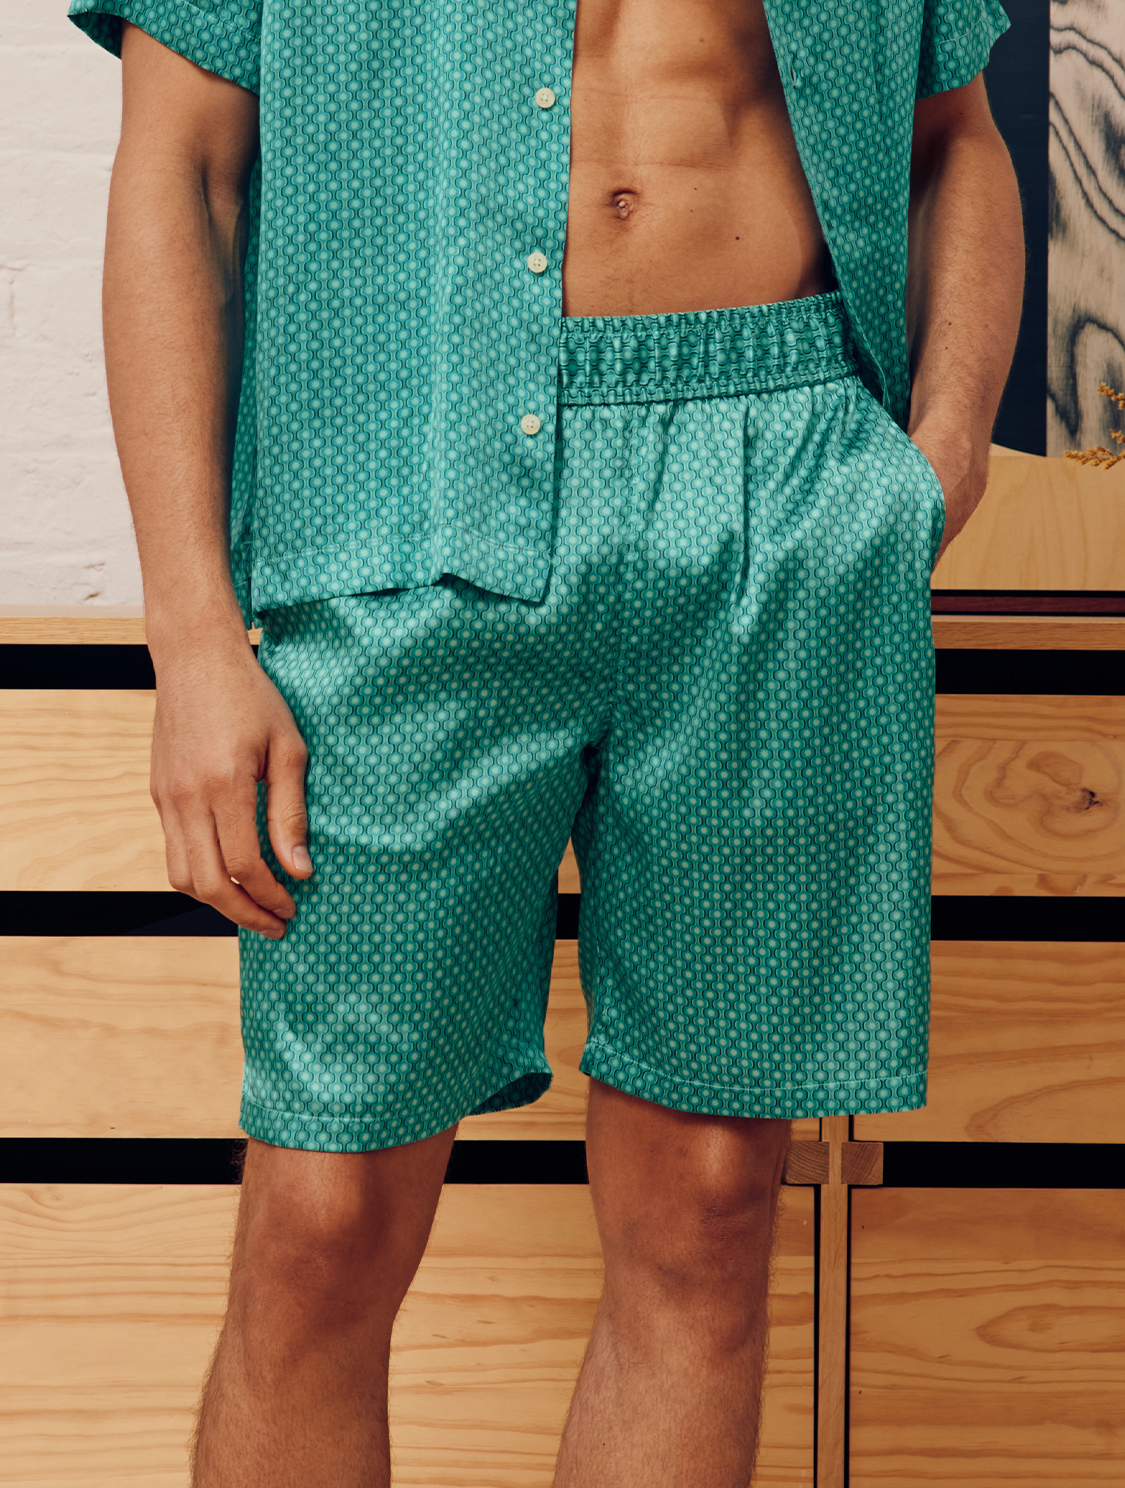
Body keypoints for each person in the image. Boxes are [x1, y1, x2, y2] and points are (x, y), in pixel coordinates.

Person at [67, 0, 1024, 1481]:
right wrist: (191, 635)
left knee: (709, 1200)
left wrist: (938, 458)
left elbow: (954, 135)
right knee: (324, 1208)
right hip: (400, 494)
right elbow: (180, 162)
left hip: (778, 485)